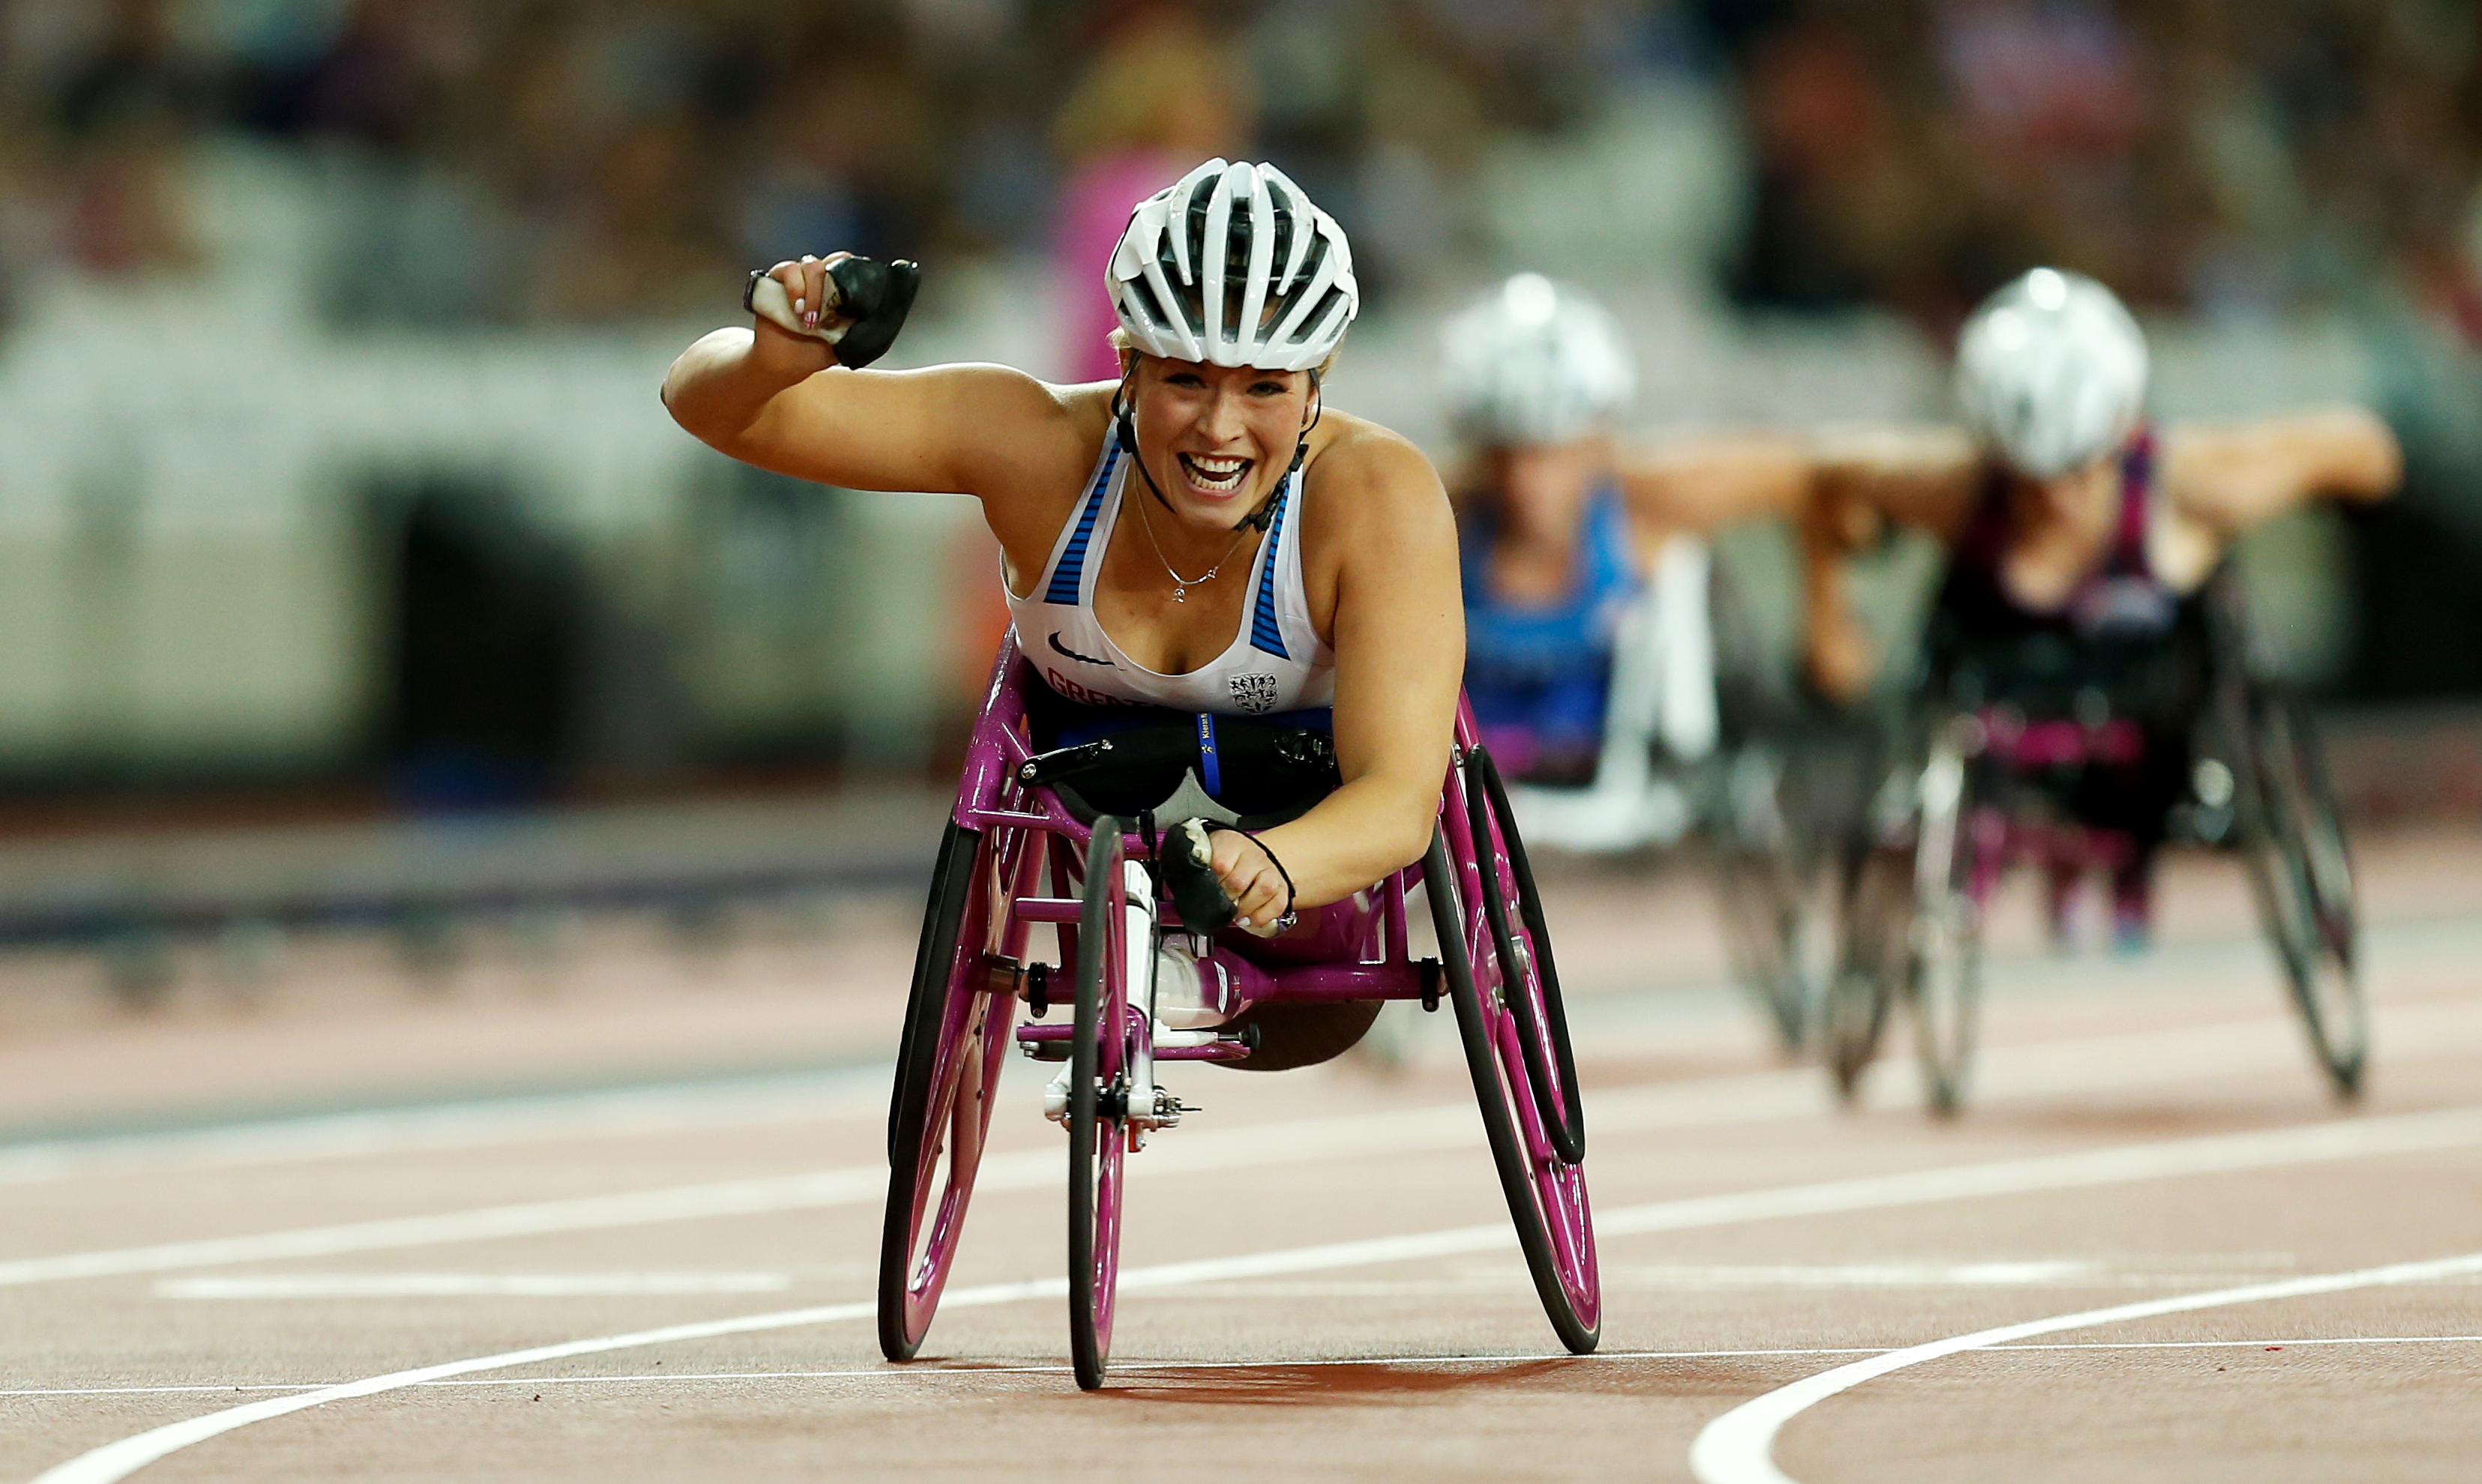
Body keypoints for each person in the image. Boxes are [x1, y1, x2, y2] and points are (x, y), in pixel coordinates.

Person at [663, 158, 1460, 1067]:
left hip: (1300, 845)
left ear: (1316, 384)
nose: (1219, 429)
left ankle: (1197, 981)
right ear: (1126, 363)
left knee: (1318, 990)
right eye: (1186, 381)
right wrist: (776, 357)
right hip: (1097, 801)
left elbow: (1399, 798)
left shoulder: (1377, 494)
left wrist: (1271, 869)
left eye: (1264, 388)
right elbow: (704, 403)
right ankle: (1150, 964)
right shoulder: (1036, 448)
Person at [1800, 267, 2400, 944]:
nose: (2055, 498)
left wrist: (2319, 483)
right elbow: (1826, 480)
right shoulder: (1948, 486)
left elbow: (2368, 449)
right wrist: (1828, 622)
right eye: (2030, 482)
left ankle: (2123, 858)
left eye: (2079, 469)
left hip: (2150, 704)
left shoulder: (2204, 480)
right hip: (1999, 693)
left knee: (2169, 728)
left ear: (2122, 428)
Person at [1441, 273, 1810, 842]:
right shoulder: (1442, 519)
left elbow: (1797, 474)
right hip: (1466, 803)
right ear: (1478, 450)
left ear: (1598, 439)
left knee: (1684, 566)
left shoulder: (1643, 518)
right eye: (1507, 454)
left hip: (1612, 797)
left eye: (1553, 452)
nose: (1527, 481)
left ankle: (1695, 761)